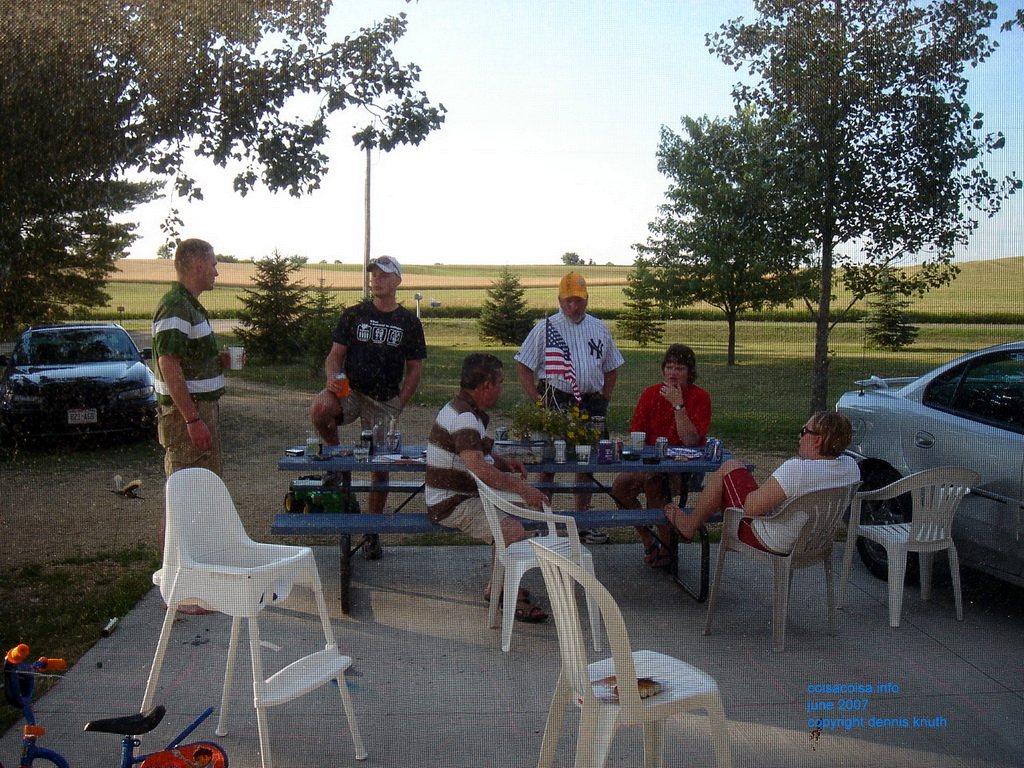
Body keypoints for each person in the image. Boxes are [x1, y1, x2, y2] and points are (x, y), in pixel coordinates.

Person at [310, 255, 427, 559]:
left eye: (384, 275)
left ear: (397, 281)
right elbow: (335, 355)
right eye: (374, 274)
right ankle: (337, 460)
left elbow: (415, 369)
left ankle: (372, 531)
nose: (377, 280)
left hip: (384, 399)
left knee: (380, 465)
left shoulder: (409, 322)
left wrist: (400, 402)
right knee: (320, 408)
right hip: (351, 390)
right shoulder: (354, 315)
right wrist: (332, 377)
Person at [426, 353, 551, 622]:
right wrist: (524, 489)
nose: (501, 389)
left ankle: (500, 586)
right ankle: (504, 594)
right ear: (485, 385)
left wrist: (505, 463)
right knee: (511, 529)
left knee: (509, 522)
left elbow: (477, 454)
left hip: (456, 496)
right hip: (450, 504)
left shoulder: (461, 409)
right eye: (500, 383)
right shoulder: (465, 418)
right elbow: (478, 467)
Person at [514, 272, 624, 544]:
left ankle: (582, 524)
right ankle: (543, 523)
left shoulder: (599, 328)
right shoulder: (546, 328)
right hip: (556, 399)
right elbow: (524, 366)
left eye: (578, 300)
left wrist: (604, 399)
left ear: (587, 299)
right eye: (567, 301)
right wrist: (539, 402)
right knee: (549, 461)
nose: (573, 306)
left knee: (586, 463)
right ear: (559, 300)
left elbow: (611, 368)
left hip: (590, 401)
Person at [665, 411, 860, 555]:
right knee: (737, 471)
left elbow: (751, 508)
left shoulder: (797, 469)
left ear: (817, 441)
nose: (799, 437)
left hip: (774, 541)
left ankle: (690, 524)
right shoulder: (851, 467)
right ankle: (693, 521)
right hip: (814, 542)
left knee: (728, 467)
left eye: (804, 431)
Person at [610, 344, 711, 568]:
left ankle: (667, 547)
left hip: (686, 466)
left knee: (655, 484)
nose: (673, 373)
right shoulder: (650, 394)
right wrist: (647, 460)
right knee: (619, 488)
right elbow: (638, 435)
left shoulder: (700, 397)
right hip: (653, 462)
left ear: (690, 372)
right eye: (669, 367)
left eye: (680, 368)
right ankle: (648, 541)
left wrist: (678, 405)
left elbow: (691, 441)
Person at [152, 238, 233, 478]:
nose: (216, 273)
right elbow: (168, 363)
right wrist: (192, 420)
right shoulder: (176, 305)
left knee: (203, 484)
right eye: (214, 265)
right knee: (187, 486)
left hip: (197, 409)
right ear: (199, 265)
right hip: (186, 413)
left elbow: (186, 360)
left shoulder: (188, 304)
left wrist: (218, 361)